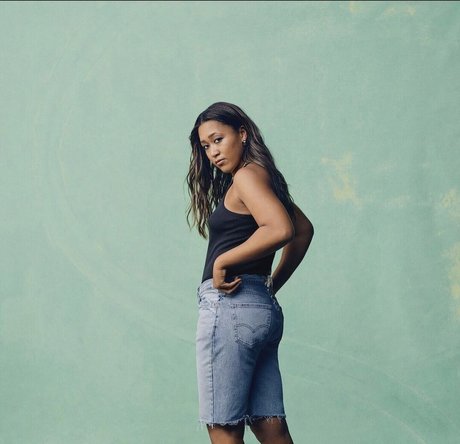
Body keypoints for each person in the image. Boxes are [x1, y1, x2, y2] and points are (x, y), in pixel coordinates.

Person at [186, 102, 314, 444]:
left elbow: (281, 229)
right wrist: (271, 286)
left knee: (224, 428)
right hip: (259, 309)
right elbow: (303, 230)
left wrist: (222, 263)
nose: (213, 152)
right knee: (271, 427)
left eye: (218, 139)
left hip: (230, 309)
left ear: (242, 134)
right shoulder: (262, 177)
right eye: (206, 146)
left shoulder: (245, 176)